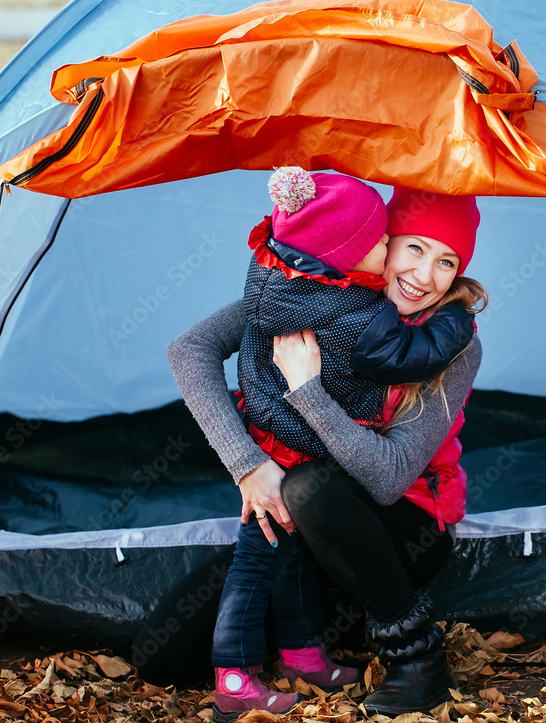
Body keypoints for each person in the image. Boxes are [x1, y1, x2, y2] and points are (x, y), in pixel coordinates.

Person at [167, 185, 485, 716]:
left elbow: (389, 477)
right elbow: (190, 349)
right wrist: (247, 465)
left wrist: (305, 389)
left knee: (309, 486)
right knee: (168, 656)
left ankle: (416, 660)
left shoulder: (453, 345)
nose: (424, 276)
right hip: (303, 527)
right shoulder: (312, 290)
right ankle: (300, 653)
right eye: (413, 248)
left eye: (446, 260)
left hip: (398, 531)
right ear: (378, 245)